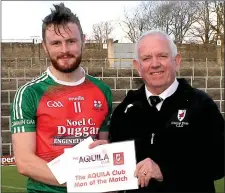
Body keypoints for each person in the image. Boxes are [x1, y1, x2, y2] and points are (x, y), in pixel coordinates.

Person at [10, 3, 111, 193]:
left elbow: (102, 148)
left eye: (71, 41)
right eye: (56, 43)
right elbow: (25, 163)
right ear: (45, 47)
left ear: (83, 40)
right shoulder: (29, 93)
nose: (64, 50)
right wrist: (82, 181)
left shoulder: (102, 91)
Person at [107, 30, 224, 192]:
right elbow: (117, 168)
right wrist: (104, 155)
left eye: (162, 56)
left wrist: (165, 171)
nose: (155, 64)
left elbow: (219, 163)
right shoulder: (124, 111)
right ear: (137, 67)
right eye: (146, 58)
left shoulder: (202, 105)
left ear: (176, 61)